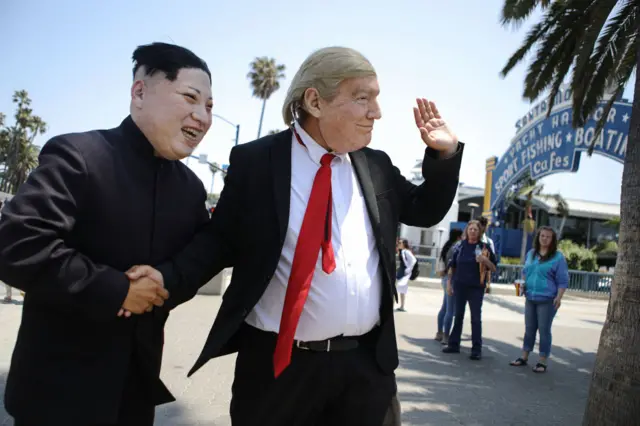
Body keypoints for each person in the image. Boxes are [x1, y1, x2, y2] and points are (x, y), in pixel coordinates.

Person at [127, 46, 464, 425]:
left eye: (376, 98)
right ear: (315, 101)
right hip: (277, 371)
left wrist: (445, 156)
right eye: (362, 98)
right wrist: (165, 279)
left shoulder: (376, 165)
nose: (376, 112)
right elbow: (219, 241)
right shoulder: (257, 162)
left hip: (366, 370)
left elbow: (424, 209)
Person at [0, 42, 214, 426]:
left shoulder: (190, 189)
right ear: (139, 92)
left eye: (210, 107)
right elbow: (16, 243)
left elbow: (202, 256)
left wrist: (165, 278)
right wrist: (116, 289)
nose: (202, 116)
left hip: (134, 396)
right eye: (190, 97)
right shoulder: (79, 155)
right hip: (56, 396)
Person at [510, 226, 568, 373]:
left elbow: (563, 280)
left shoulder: (558, 257)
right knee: (529, 329)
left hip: (547, 300)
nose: (545, 239)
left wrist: (559, 297)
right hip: (530, 297)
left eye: (548, 237)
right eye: (542, 236)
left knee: (544, 330)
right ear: (538, 237)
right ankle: (524, 356)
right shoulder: (531, 254)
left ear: (553, 240)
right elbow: (525, 272)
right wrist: (522, 285)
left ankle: (542, 361)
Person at [442, 220, 496, 360]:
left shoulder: (485, 247)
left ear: (479, 232)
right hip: (460, 285)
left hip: (476, 287)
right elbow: (452, 267)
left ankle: (476, 349)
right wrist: (449, 284)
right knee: (458, 315)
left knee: (475, 318)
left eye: (475, 229)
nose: (472, 231)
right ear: (467, 230)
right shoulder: (460, 246)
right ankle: (454, 344)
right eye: (470, 229)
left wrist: (485, 260)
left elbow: (494, 267)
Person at [435, 228, 462, 344]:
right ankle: (446, 336)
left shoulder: (447, 246)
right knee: (450, 309)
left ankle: (439, 332)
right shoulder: (456, 247)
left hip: (445, 278)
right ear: (459, 236)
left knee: (445, 307)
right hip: (451, 278)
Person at [395, 238, 417, 312]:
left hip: (404, 272)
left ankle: (402, 306)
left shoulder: (406, 251)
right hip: (402, 271)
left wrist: (409, 269)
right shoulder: (402, 251)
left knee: (401, 288)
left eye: (400, 243)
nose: (399, 244)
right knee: (401, 289)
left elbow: (413, 260)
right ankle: (401, 306)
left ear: (404, 244)